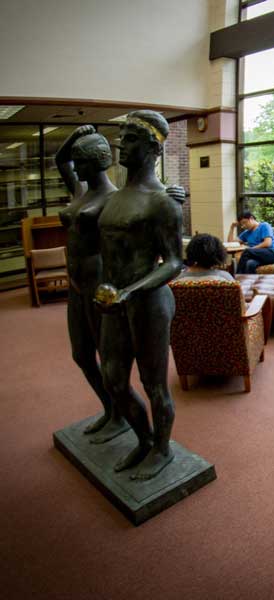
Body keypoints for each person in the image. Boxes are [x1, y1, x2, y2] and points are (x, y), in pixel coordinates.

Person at [94, 110, 183, 481]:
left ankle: (162, 449)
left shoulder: (161, 201)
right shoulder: (115, 196)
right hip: (114, 302)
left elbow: (175, 262)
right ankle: (145, 439)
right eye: (121, 136)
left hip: (147, 303)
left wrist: (130, 292)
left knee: (154, 384)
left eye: (130, 138)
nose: (121, 144)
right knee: (113, 379)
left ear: (151, 147)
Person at [56, 125, 130, 443]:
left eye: (81, 161)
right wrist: (74, 135)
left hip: (100, 284)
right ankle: (109, 407)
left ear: (99, 162)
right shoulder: (79, 191)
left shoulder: (115, 198)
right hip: (76, 285)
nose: (76, 168)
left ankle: (120, 415)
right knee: (82, 355)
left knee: (109, 357)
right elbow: (60, 161)